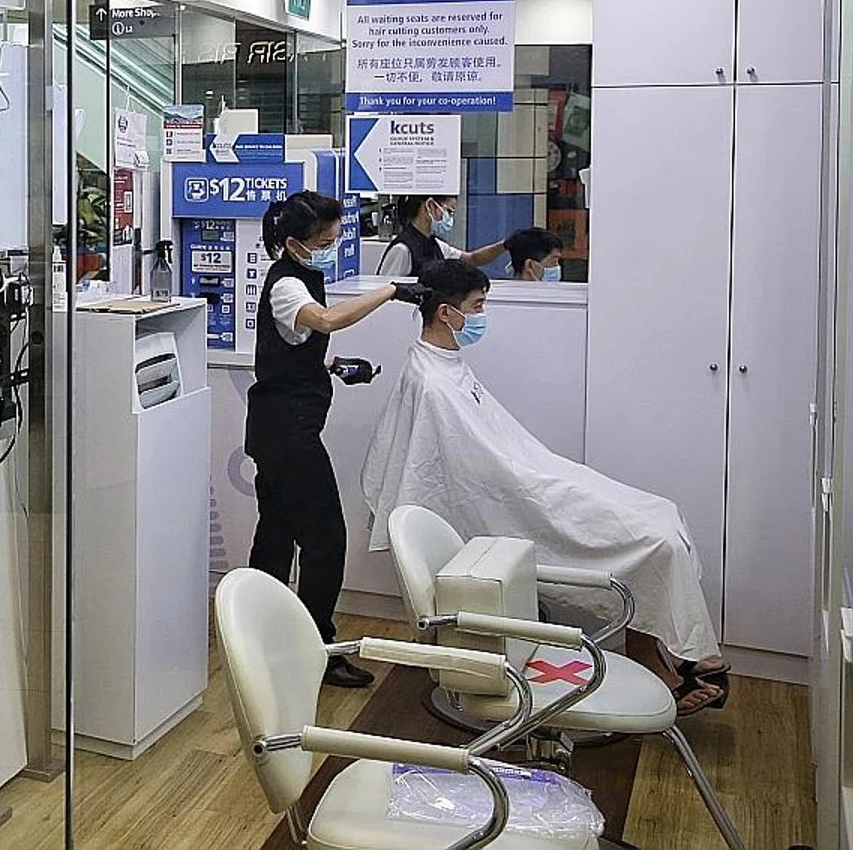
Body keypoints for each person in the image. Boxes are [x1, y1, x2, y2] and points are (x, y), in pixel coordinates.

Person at [362, 259, 728, 715]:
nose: (482, 316)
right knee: (657, 541)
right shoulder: (433, 383)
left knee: (661, 514)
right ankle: (676, 661)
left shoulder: (444, 365)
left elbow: (492, 449)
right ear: (445, 313)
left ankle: (665, 657)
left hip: (529, 475)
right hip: (517, 491)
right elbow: (471, 471)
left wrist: (544, 473)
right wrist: (539, 482)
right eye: (477, 306)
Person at [246, 191, 411, 689]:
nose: (332, 247)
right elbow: (325, 320)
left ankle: (258, 632)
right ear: (296, 242)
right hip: (286, 432)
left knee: (276, 533)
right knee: (325, 539)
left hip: (278, 427)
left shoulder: (298, 279)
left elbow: (293, 347)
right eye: (325, 240)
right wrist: (391, 292)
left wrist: (333, 366)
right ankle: (318, 649)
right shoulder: (287, 286)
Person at [375, 194, 507, 278]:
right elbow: (382, 293)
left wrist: (505, 245)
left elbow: (473, 259)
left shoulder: (435, 244)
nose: (449, 218)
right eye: (448, 211)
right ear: (430, 205)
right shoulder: (402, 249)